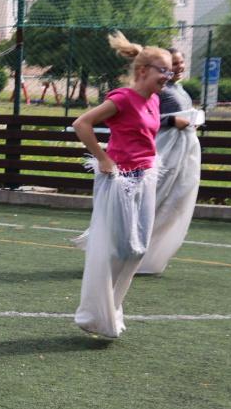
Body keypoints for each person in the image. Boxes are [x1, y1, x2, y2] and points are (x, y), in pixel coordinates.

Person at [71, 31, 172, 338]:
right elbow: (81, 124)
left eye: (170, 72)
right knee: (117, 250)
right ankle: (92, 314)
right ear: (142, 70)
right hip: (119, 180)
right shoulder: (123, 98)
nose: (168, 77)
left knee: (137, 251)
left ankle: (110, 312)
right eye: (163, 70)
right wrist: (102, 158)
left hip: (145, 177)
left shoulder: (154, 100)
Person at [137, 47, 203, 275]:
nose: (179, 67)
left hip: (184, 150)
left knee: (175, 201)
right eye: (173, 63)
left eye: (181, 62)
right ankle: (132, 251)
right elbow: (144, 116)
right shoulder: (158, 89)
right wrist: (172, 120)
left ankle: (153, 256)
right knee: (155, 197)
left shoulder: (180, 89)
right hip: (164, 149)